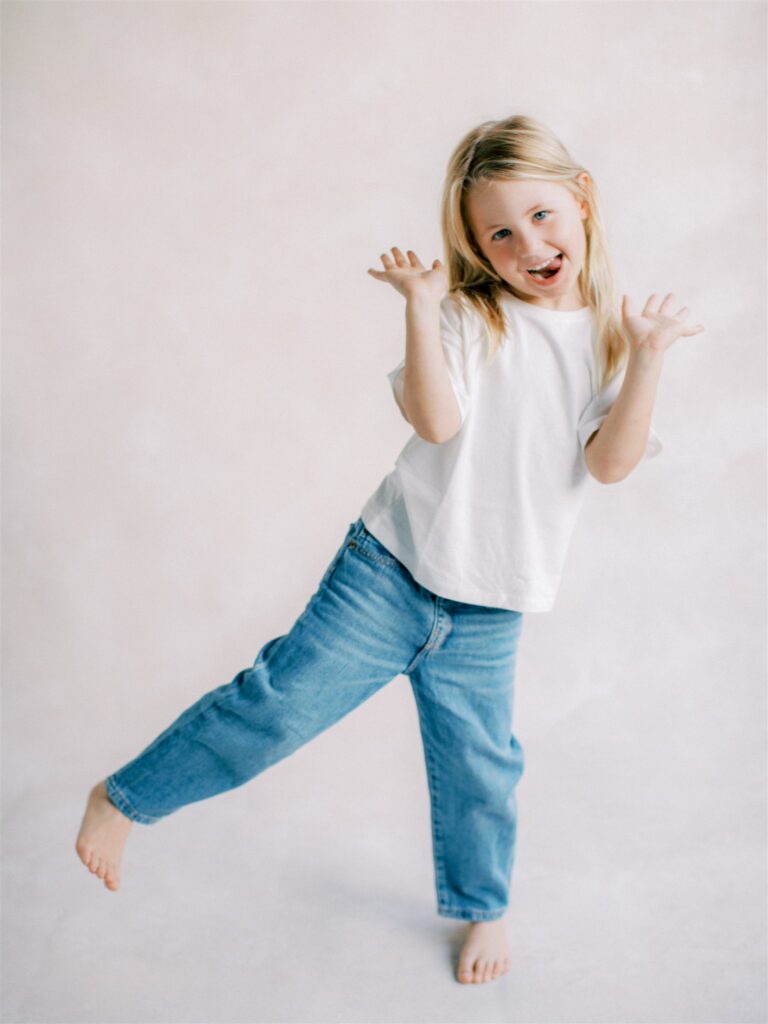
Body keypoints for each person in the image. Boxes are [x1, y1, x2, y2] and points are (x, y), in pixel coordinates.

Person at [75, 113, 704, 985]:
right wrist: (418, 303)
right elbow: (437, 421)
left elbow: (610, 464)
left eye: (542, 217)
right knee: (278, 704)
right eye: (501, 232)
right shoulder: (472, 317)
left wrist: (647, 362)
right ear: (480, 251)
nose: (530, 243)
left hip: (493, 601)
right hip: (390, 572)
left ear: (582, 200)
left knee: (482, 768)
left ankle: (483, 907)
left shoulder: (606, 338)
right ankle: (125, 799)